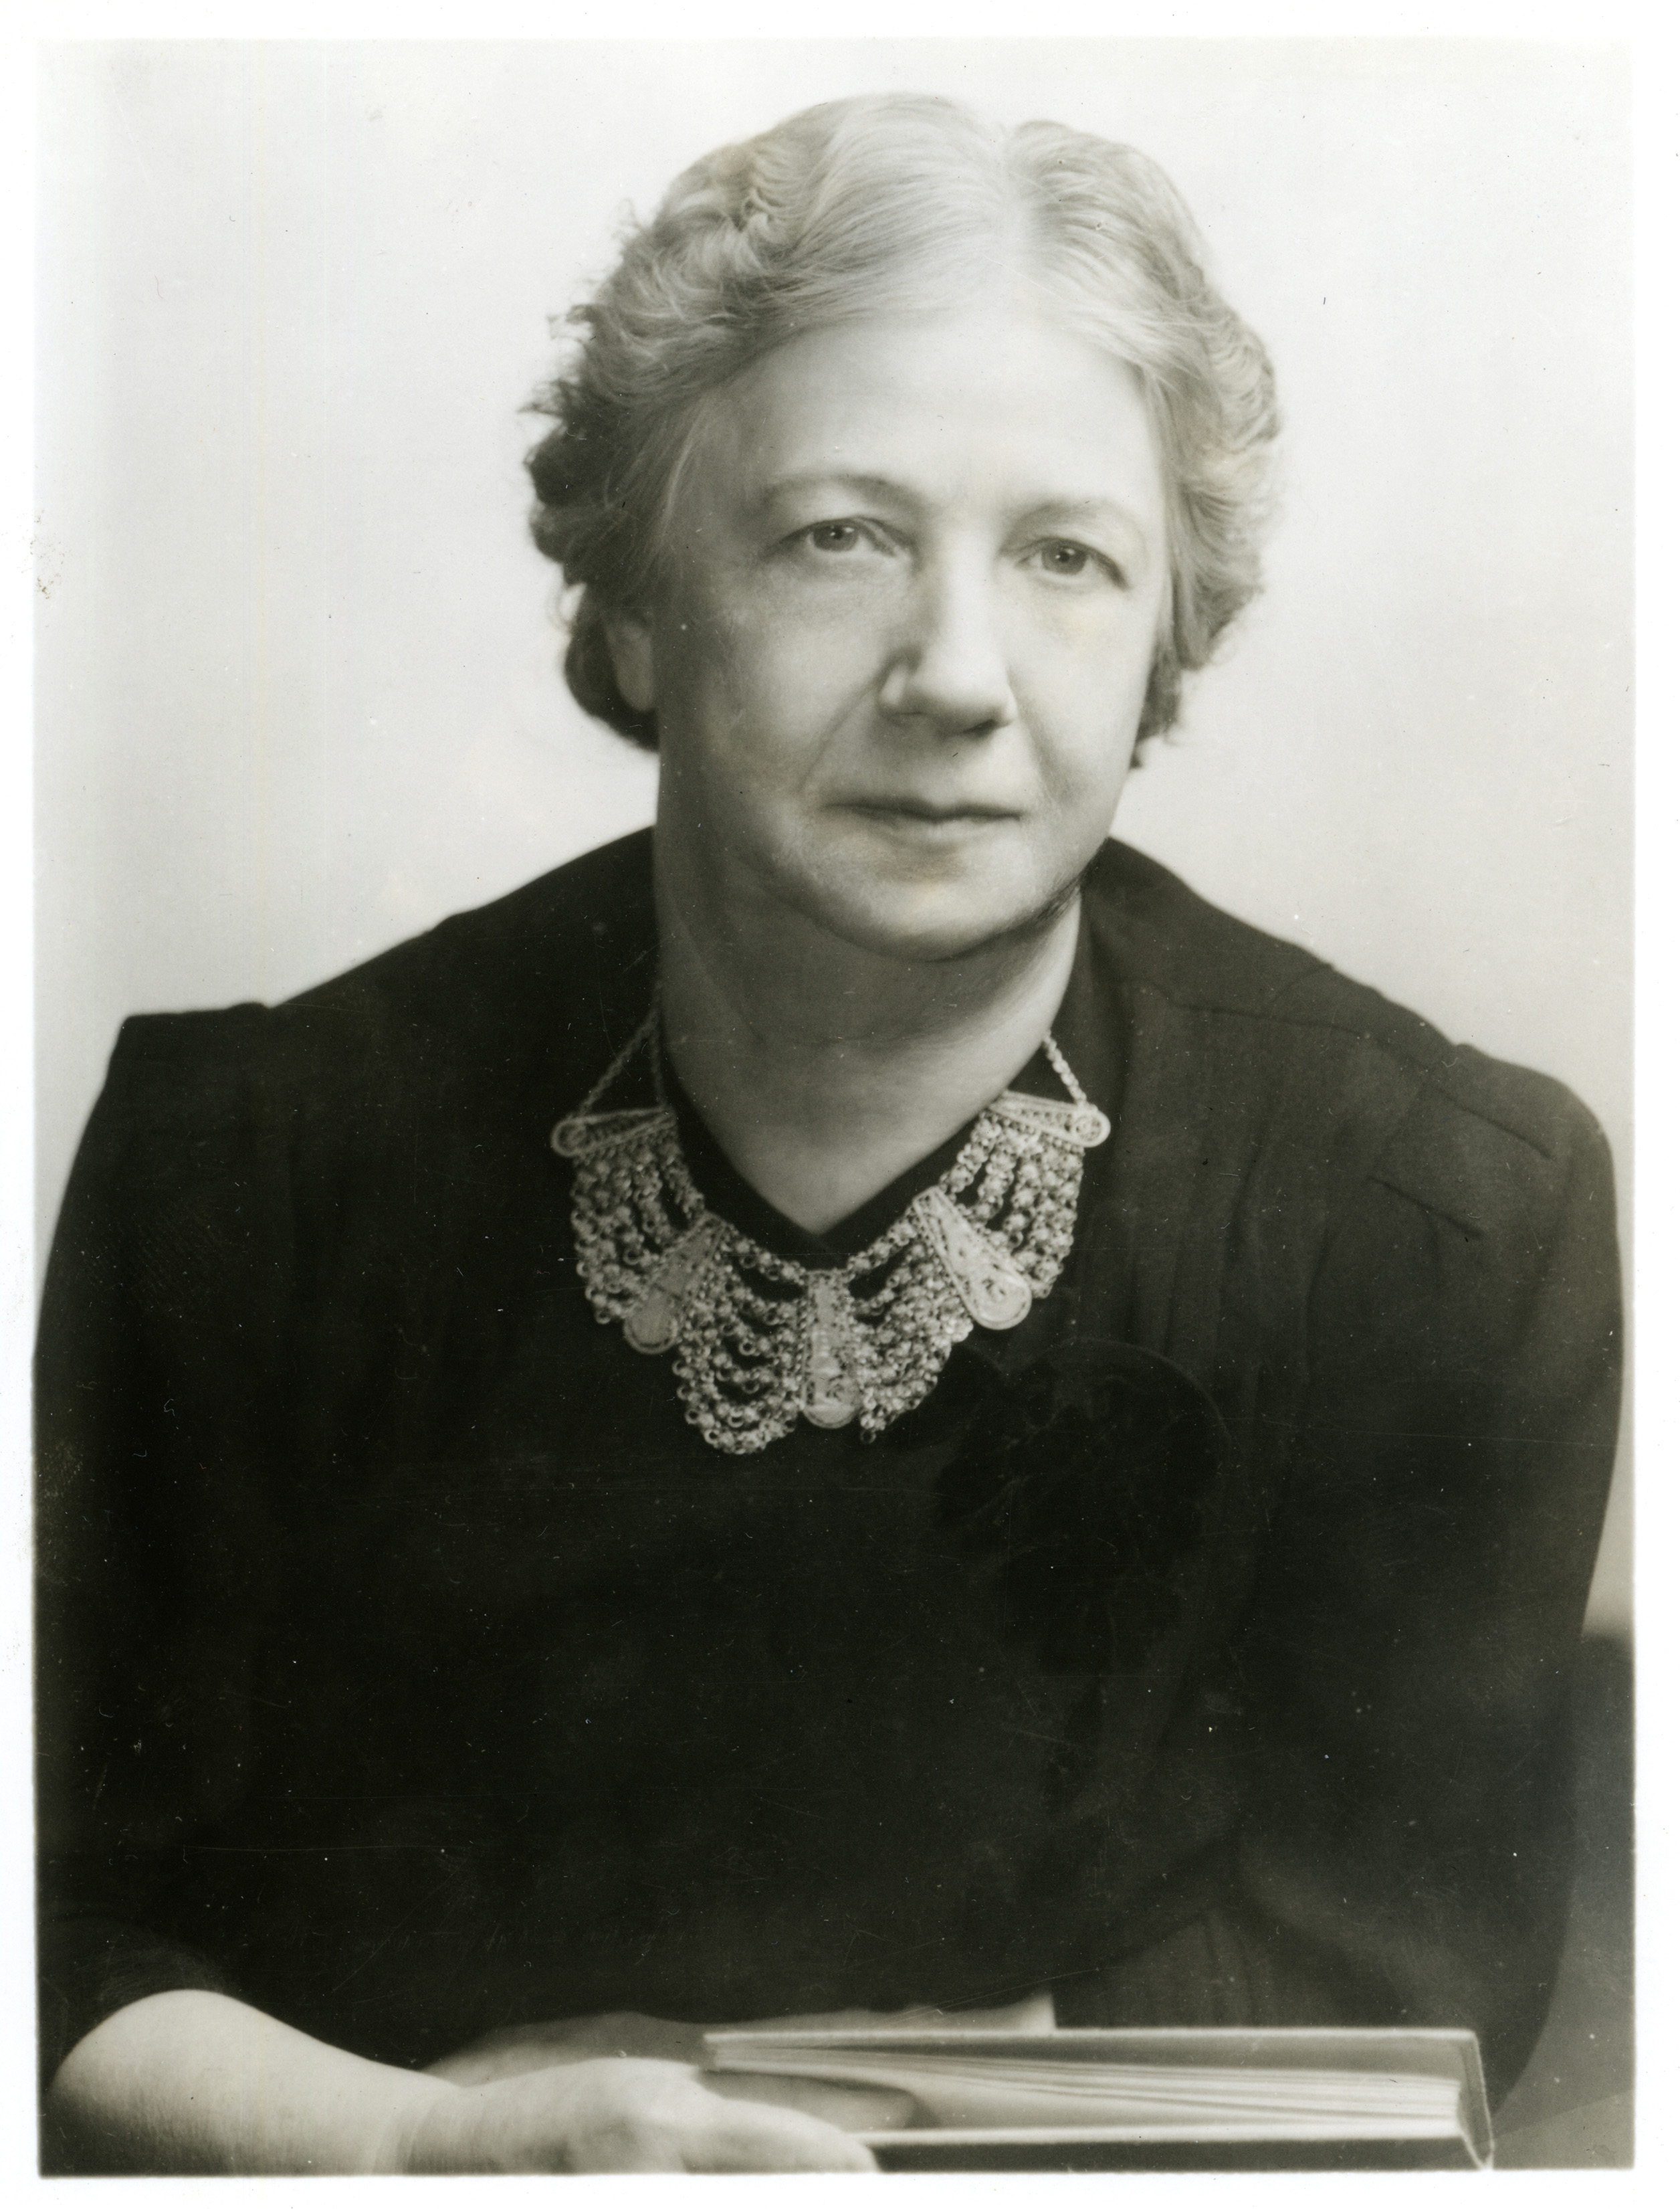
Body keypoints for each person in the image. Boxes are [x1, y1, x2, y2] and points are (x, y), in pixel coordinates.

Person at [34, 93, 1621, 2174]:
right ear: (635, 606)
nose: (955, 675)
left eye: (1066, 557)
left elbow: (1397, 1988)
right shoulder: (250, 1173)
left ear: (1169, 638)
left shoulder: (1442, 1216)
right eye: (839, 536)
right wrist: (424, 2156)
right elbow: (63, 1929)